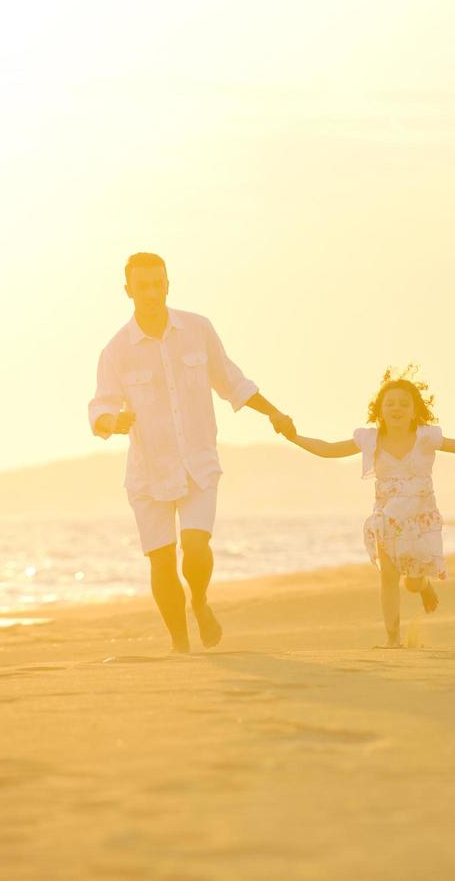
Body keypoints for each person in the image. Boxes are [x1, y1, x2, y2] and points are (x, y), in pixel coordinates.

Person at [88, 252, 295, 654]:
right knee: (162, 562)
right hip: (149, 473)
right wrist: (111, 424)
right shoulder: (116, 350)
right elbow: (102, 405)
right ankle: (179, 644)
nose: (151, 292)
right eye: (142, 285)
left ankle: (199, 602)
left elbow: (231, 380)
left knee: (196, 548)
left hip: (198, 463)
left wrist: (275, 413)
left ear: (168, 284)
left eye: (157, 283)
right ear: (127, 290)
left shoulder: (198, 330)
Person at [279, 368, 455, 648]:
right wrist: (294, 437)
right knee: (388, 577)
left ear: (415, 411)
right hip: (386, 517)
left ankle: (423, 586)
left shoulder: (426, 437)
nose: (397, 408)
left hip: (419, 517)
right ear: (379, 410)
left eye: (404, 403)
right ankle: (393, 639)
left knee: (411, 583)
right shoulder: (370, 439)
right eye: (390, 403)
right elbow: (328, 449)